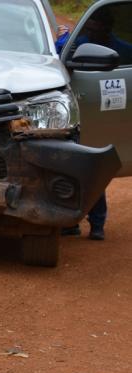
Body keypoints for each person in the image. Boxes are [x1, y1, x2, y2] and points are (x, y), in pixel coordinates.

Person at [54, 12, 124, 241]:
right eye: (90, 28)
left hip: (99, 116)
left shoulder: (118, 47)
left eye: (97, 28)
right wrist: (64, 39)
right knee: (71, 168)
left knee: (94, 168)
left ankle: (97, 224)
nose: (92, 31)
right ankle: (70, 222)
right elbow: (57, 53)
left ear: (108, 27)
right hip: (73, 112)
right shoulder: (82, 42)